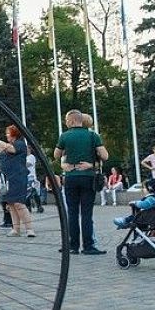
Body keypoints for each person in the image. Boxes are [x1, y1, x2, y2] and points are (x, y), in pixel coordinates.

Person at [53, 108, 109, 256]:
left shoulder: (64, 136)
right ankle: (88, 246)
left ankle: (73, 246)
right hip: (88, 177)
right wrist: (92, 162)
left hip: (71, 177)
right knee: (86, 213)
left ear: (71, 120)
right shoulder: (93, 136)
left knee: (72, 213)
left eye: (66, 120)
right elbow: (104, 156)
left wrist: (68, 158)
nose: (66, 123)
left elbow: (56, 155)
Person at [0, 125, 34, 238]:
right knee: (11, 203)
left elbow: (10, 149)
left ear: (14, 134)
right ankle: (16, 228)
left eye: (8, 133)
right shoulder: (11, 145)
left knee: (19, 203)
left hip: (18, 177)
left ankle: (29, 229)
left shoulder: (20, 144)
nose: (7, 135)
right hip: (9, 178)